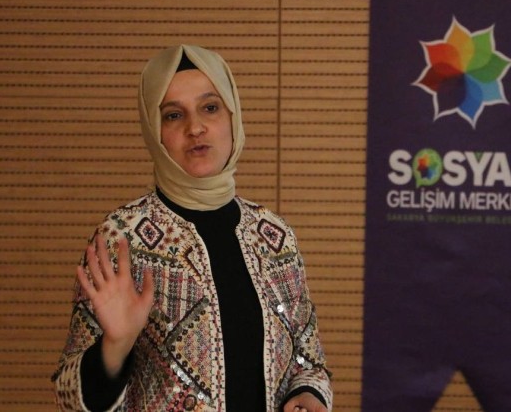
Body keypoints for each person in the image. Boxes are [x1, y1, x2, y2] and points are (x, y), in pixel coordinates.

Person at [52, 44, 332, 411]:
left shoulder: (273, 235)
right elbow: (70, 401)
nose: (195, 127)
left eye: (210, 108)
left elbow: (309, 361)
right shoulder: (121, 238)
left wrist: (309, 394)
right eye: (173, 115)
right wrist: (114, 347)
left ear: (233, 116)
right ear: (154, 131)